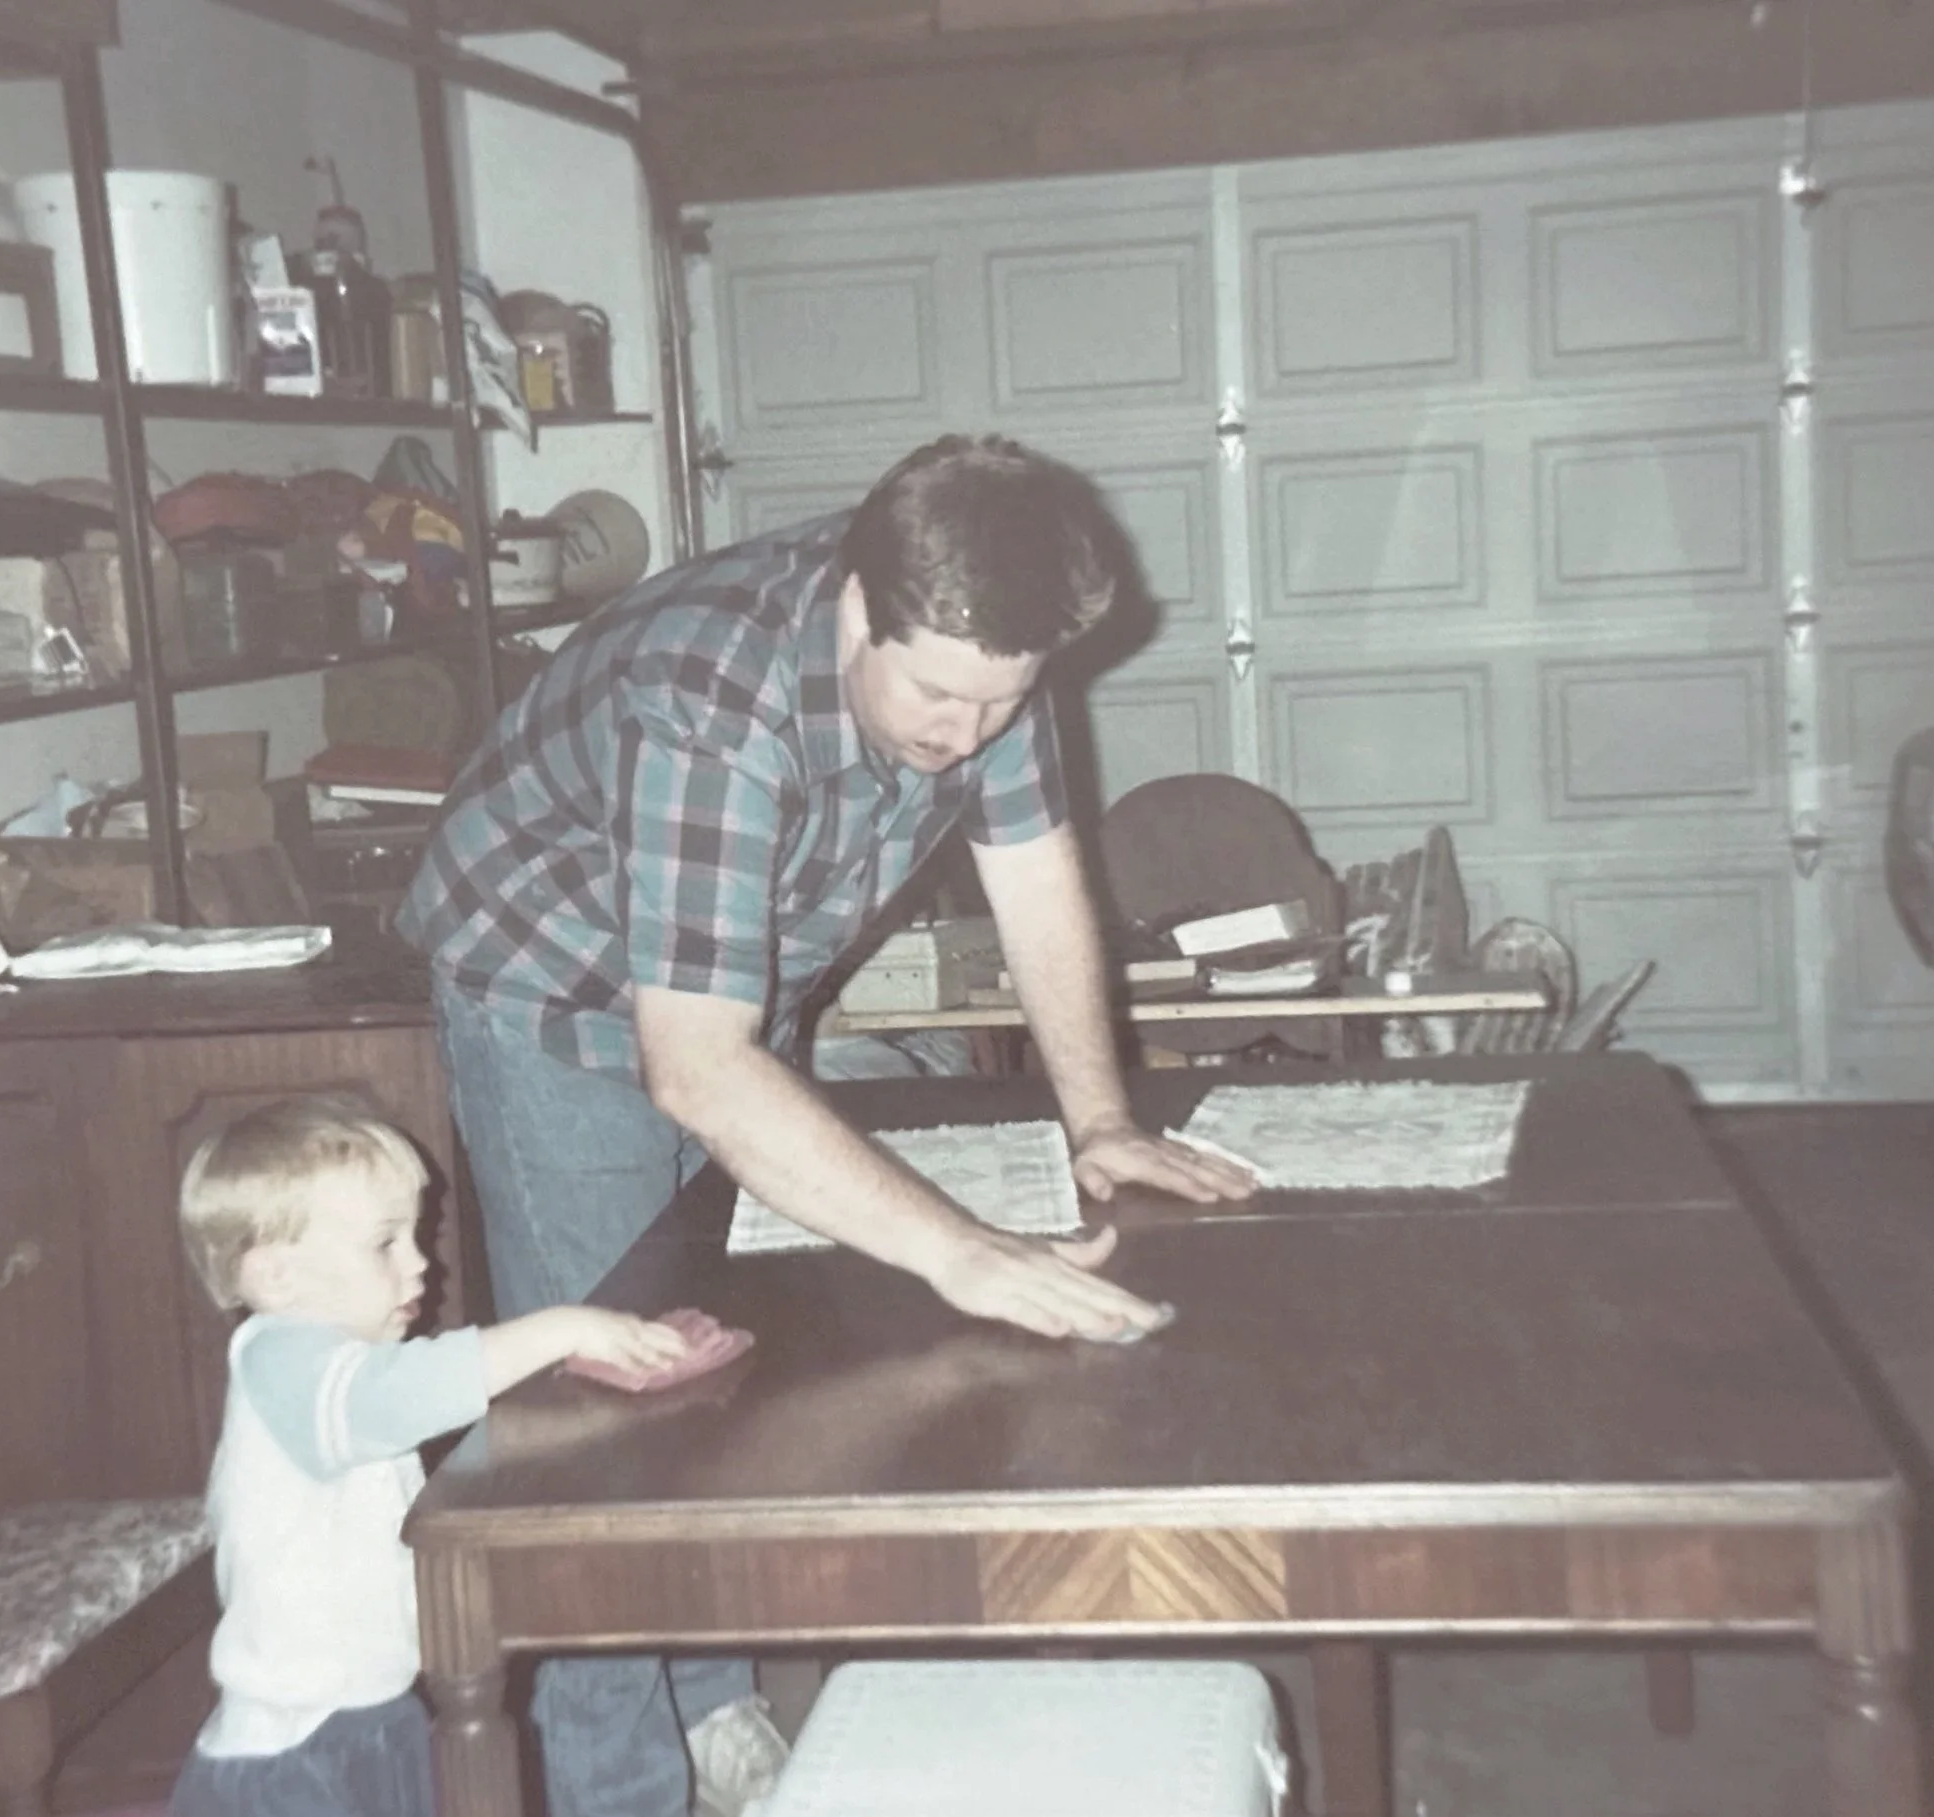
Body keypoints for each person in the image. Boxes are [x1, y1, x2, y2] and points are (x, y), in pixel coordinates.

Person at [397, 433, 1252, 1817]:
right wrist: (959, 1249)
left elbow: (1038, 889)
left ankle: (716, 1700)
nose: (963, 732)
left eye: (999, 702)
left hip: (733, 974)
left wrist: (1100, 1119)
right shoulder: (711, 694)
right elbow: (694, 1068)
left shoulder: (987, 648)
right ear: (862, 603)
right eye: (936, 694)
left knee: (732, 1361)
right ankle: (628, 1786)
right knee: (609, 1408)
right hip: (549, 983)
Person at [168, 1095, 694, 1817]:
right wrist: (560, 1327)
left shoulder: (339, 1366)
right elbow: (411, 1393)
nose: (421, 1263)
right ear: (276, 1277)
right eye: (385, 1243)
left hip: (369, 1711)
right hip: (295, 1751)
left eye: (416, 1234)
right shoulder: (284, 1360)